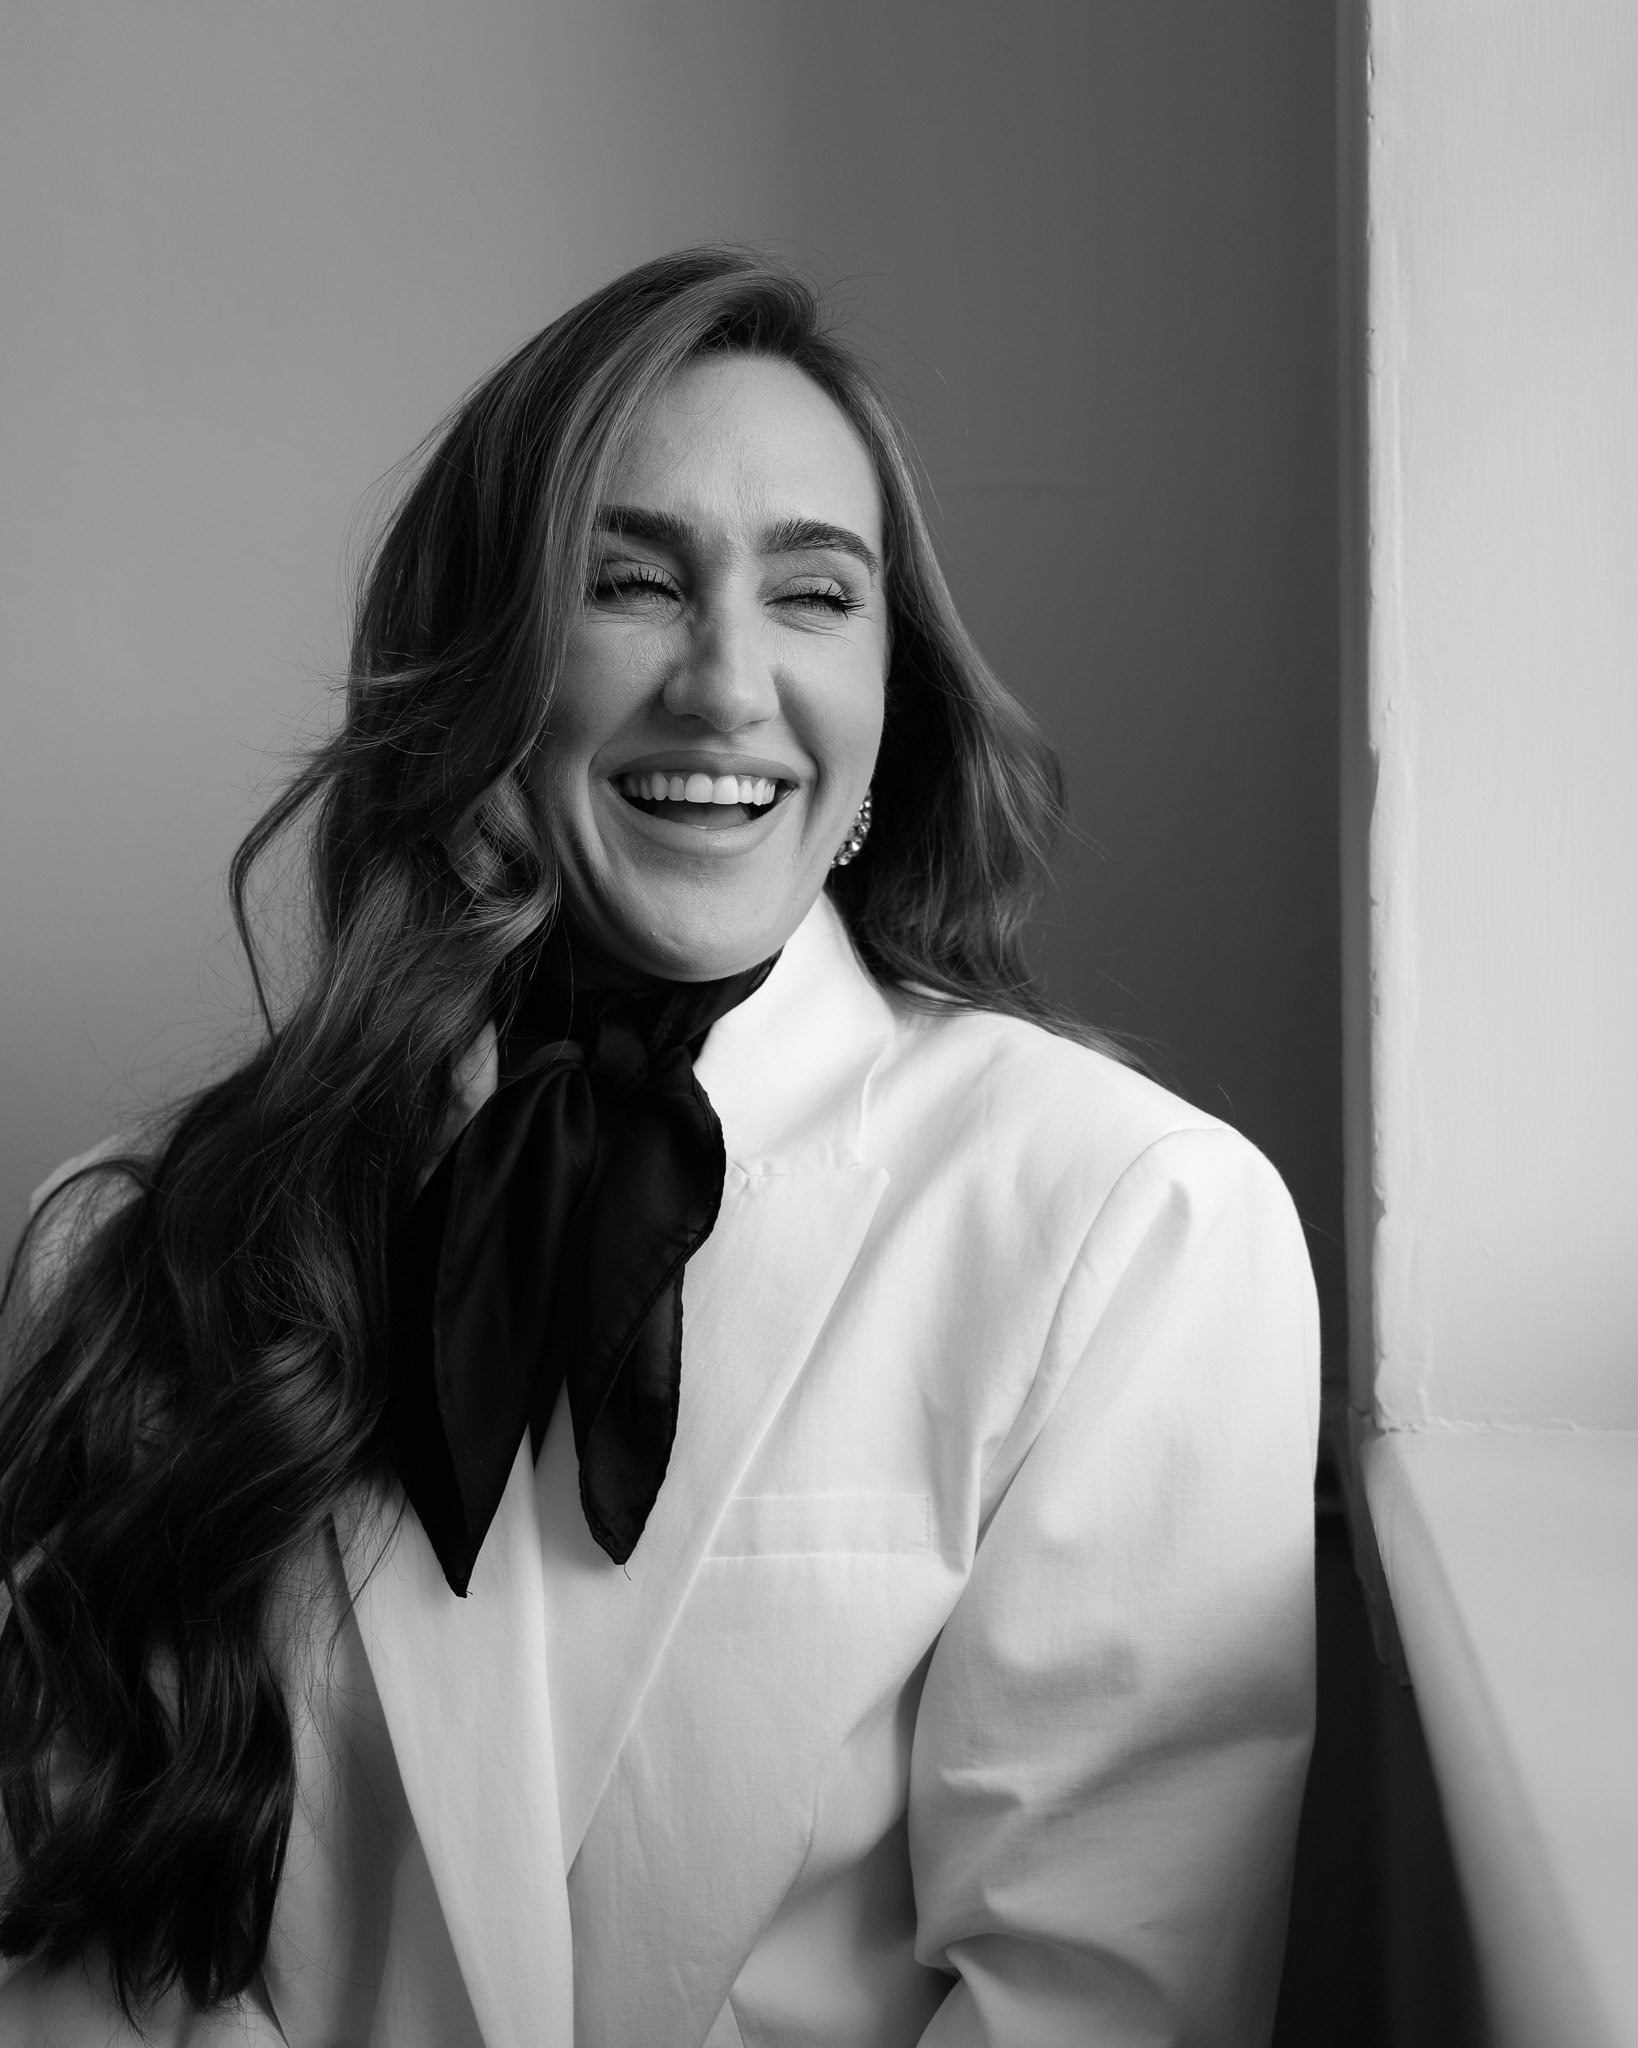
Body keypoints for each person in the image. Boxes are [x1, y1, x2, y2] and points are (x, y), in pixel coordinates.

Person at [0, 247, 1319, 2047]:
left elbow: (1099, 2002)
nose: (725, 683)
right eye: (628, 582)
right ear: (478, 673)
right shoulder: (139, 1242)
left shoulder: (1130, 1221)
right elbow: (67, 1958)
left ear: (888, 698)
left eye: (812, 593)